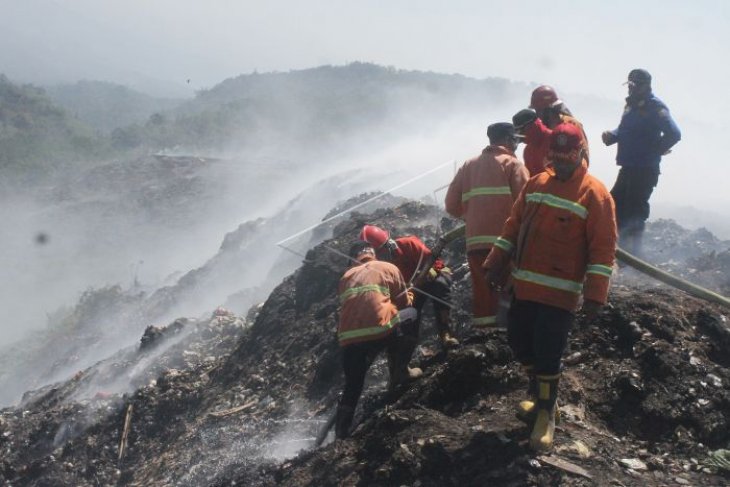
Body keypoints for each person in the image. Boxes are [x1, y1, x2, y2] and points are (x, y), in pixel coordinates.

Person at [483, 123, 617, 451]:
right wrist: (495, 259)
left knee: (547, 354)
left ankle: (546, 415)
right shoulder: (537, 183)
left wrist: (595, 297)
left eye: (566, 157)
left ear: (580, 154)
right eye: (555, 157)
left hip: (560, 295)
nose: (560, 164)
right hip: (524, 287)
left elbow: (602, 251)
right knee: (518, 341)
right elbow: (513, 225)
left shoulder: (595, 194)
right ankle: (540, 393)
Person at [445, 122, 529, 328]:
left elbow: (451, 205)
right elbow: (528, 205)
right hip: (506, 242)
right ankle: (509, 335)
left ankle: (485, 334)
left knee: (483, 291)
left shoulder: (468, 165)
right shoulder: (513, 165)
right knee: (510, 288)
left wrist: (473, 216)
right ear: (509, 140)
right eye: (515, 139)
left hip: (475, 241)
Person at [334, 241, 420, 439]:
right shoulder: (391, 265)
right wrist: (412, 292)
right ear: (376, 252)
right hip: (380, 330)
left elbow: (350, 304)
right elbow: (404, 302)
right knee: (409, 315)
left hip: (348, 338)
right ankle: (400, 371)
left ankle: (341, 433)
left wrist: (435, 269)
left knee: (352, 384)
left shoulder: (346, 276)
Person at [602, 69, 681, 256]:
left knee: (635, 211)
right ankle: (616, 249)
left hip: (645, 169)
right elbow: (624, 129)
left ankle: (634, 257)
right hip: (628, 166)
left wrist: (657, 149)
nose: (631, 89)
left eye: (635, 85)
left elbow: (674, 133)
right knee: (614, 203)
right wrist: (611, 136)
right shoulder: (630, 106)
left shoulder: (656, 107)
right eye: (629, 85)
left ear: (646, 86)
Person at [360, 225, 459, 349]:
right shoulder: (375, 269)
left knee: (440, 284)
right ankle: (404, 358)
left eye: (381, 251)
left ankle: (446, 333)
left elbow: (436, 262)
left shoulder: (409, 244)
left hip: (431, 277)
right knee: (406, 315)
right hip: (410, 291)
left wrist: (428, 274)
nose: (380, 256)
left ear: (387, 244)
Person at [513, 85, 589, 176]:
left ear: (549, 109)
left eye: (539, 110)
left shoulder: (571, 124)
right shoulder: (542, 129)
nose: (537, 115)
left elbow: (584, 155)